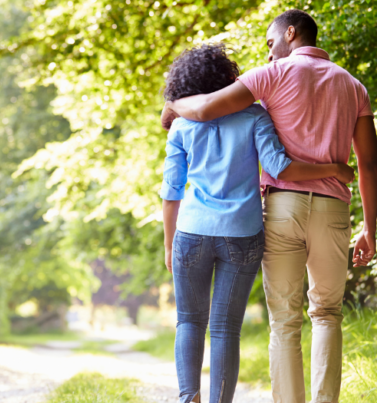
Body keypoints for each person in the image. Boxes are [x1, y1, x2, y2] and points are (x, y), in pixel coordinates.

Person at [161, 9, 377, 403]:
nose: (270, 52)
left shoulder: (269, 76)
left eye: (271, 43)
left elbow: (207, 111)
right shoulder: (354, 86)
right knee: (327, 314)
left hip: (277, 209)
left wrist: (174, 105)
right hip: (326, 211)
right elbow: (368, 163)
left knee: (281, 322)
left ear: (289, 34)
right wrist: (370, 229)